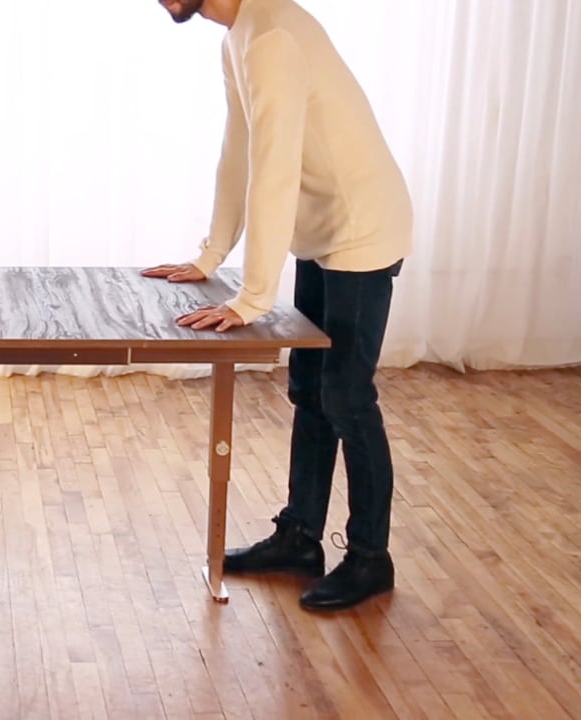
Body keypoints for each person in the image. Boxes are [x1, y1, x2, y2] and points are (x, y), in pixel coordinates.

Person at [143, 0, 412, 611]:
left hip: (363, 233)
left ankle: (371, 558)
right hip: (323, 235)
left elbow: (276, 171)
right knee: (310, 389)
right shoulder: (238, 38)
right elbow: (239, 154)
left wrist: (253, 297)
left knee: (346, 395)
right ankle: (299, 537)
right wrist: (212, 256)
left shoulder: (272, 38)